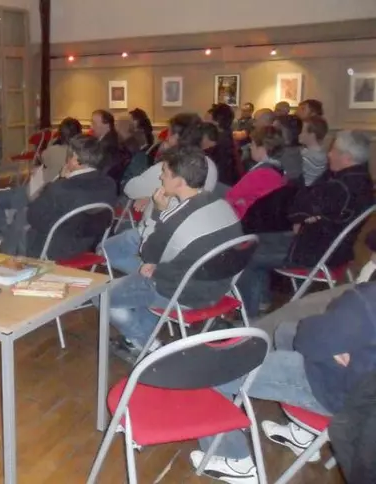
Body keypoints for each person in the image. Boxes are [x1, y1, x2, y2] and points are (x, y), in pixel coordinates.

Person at [190, 281, 376, 483]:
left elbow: (307, 338)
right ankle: (303, 435)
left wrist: (324, 335)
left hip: (334, 394)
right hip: (364, 405)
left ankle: (234, 458)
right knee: (285, 331)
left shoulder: (365, 303)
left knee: (211, 372)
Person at [106, 146, 242, 361]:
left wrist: (158, 211)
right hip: (218, 287)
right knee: (141, 281)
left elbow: (147, 253)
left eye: (165, 173)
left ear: (179, 181)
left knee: (102, 295)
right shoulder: (222, 204)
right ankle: (139, 337)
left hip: (182, 293)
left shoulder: (176, 218)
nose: (160, 177)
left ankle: (148, 344)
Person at [238, 130, 374, 318]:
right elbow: (305, 203)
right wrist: (311, 214)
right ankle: (261, 299)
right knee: (255, 239)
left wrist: (308, 213)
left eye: (334, 151)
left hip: (313, 249)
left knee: (246, 253)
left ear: (347, 158)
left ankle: (250, 317)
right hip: (335, 247)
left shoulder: (338, 186)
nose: (329, 154)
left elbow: (296, 207)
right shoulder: (363, 181)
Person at [101, 113, 218, 275]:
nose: (166, 137)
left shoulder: (168, 167)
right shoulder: (209, 164)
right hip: (191, 231)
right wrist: (150, 195)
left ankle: (154, 275)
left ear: (176, 137)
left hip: (157, 232)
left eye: (169, 133)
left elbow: (130, 188)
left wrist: (160, 163)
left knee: (102, 250)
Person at [0, 134, 117, 260]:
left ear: (75, 159)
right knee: (22, 220)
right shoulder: (109, 183)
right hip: (91, 245)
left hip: (55, 249)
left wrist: (59, 179)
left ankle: (5, 257)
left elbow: (34, 217)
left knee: (23, 216)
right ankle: (6, 252)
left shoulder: (61, 187)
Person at [0, 118, 82, 251]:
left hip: (36, 193)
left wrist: (53, 142)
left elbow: (42, 157)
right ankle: (9, 237)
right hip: (48, 195)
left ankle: (3, 237)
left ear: (59, 133)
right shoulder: (81, 154)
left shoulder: (53, 151)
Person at [225, 126, 286, 220]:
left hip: (246, 221)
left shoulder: (260, 174)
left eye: (253, 144)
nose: (250, 147)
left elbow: (230, 198)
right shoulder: (279, 169)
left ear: (261, 149)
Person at [299, 115, 329, 186]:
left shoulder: (305, 157)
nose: (299, 134)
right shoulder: (324, 153)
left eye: (302, 131)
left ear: (311, 135)